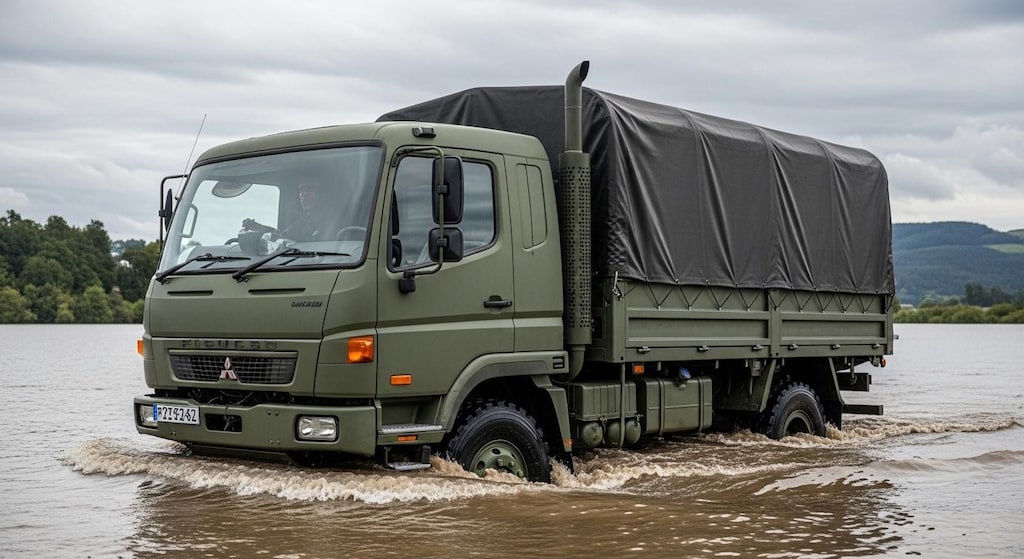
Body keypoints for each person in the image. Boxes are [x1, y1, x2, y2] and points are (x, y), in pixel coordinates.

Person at [242, 182, 331, 241]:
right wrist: (258, 227)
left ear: (321, 194)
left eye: (309, 190)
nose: (303, 195)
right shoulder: (304, 220)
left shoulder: (332, 219)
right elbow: (283, 235)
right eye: (301, 191)